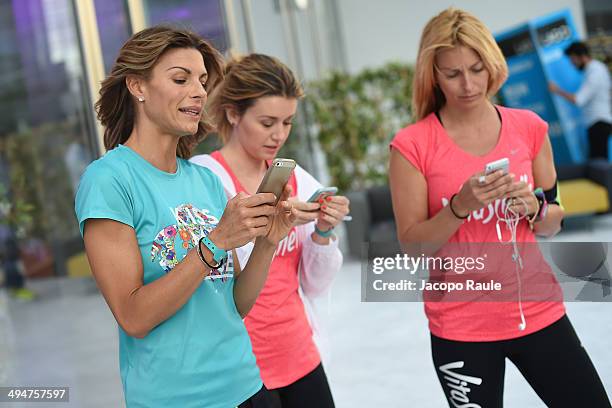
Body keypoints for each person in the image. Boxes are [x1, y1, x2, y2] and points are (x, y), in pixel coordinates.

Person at [389, 8, 611, 407]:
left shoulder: (529, 127)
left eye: (476, 69)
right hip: (460, 326)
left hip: (539, 312)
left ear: (492, 63)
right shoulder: (412, 145)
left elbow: (553, 220)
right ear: (433, 75)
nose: (469, 84)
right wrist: (459, 206)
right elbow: (412, 246)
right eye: (452, 73)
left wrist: (535, 208)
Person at [75, 26, 297, 408]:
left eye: (202, 81)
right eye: (181, 78)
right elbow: (133, 317)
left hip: (246, 387)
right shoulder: (108, 181)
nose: (198, 91)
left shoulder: (205, 180)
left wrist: (267, 242)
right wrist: (214, 244)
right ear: (138, 86)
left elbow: (236, 305)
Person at [191, 53, 348, 408]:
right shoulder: (204, 179)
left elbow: (316, 285)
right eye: (267, 122)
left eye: (288, 122)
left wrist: (323, 231)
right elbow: (207, 280)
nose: (279, 135)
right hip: (243, 367)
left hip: (301, 354)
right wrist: (268, 226)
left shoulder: (295, 177)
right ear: (233, 114)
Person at [548, 41, 612, 159]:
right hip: (599, 122)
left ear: (581, 56)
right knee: (598, 163)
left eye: (573, 60)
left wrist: (556, 90)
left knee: (598, 164)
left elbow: (578, 99)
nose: (573, 64)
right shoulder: (595, 69)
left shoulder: (595, 71)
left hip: (599, 123)